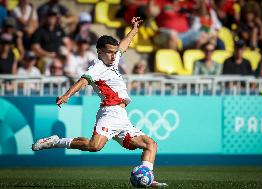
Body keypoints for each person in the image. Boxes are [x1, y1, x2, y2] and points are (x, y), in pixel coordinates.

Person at [31, 17, 167, 188]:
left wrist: (134, 30)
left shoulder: (113, 59)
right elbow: (83, 81)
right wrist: (66, 95)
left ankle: (147, 178)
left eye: (114, 52)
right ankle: (54, 141)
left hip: (122, 117)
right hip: (109, 112)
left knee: (150, 145)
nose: (113, 55)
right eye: (109, 52)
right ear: (99, 52)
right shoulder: (97, 68)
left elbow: (123, 46)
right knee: (94, 146)